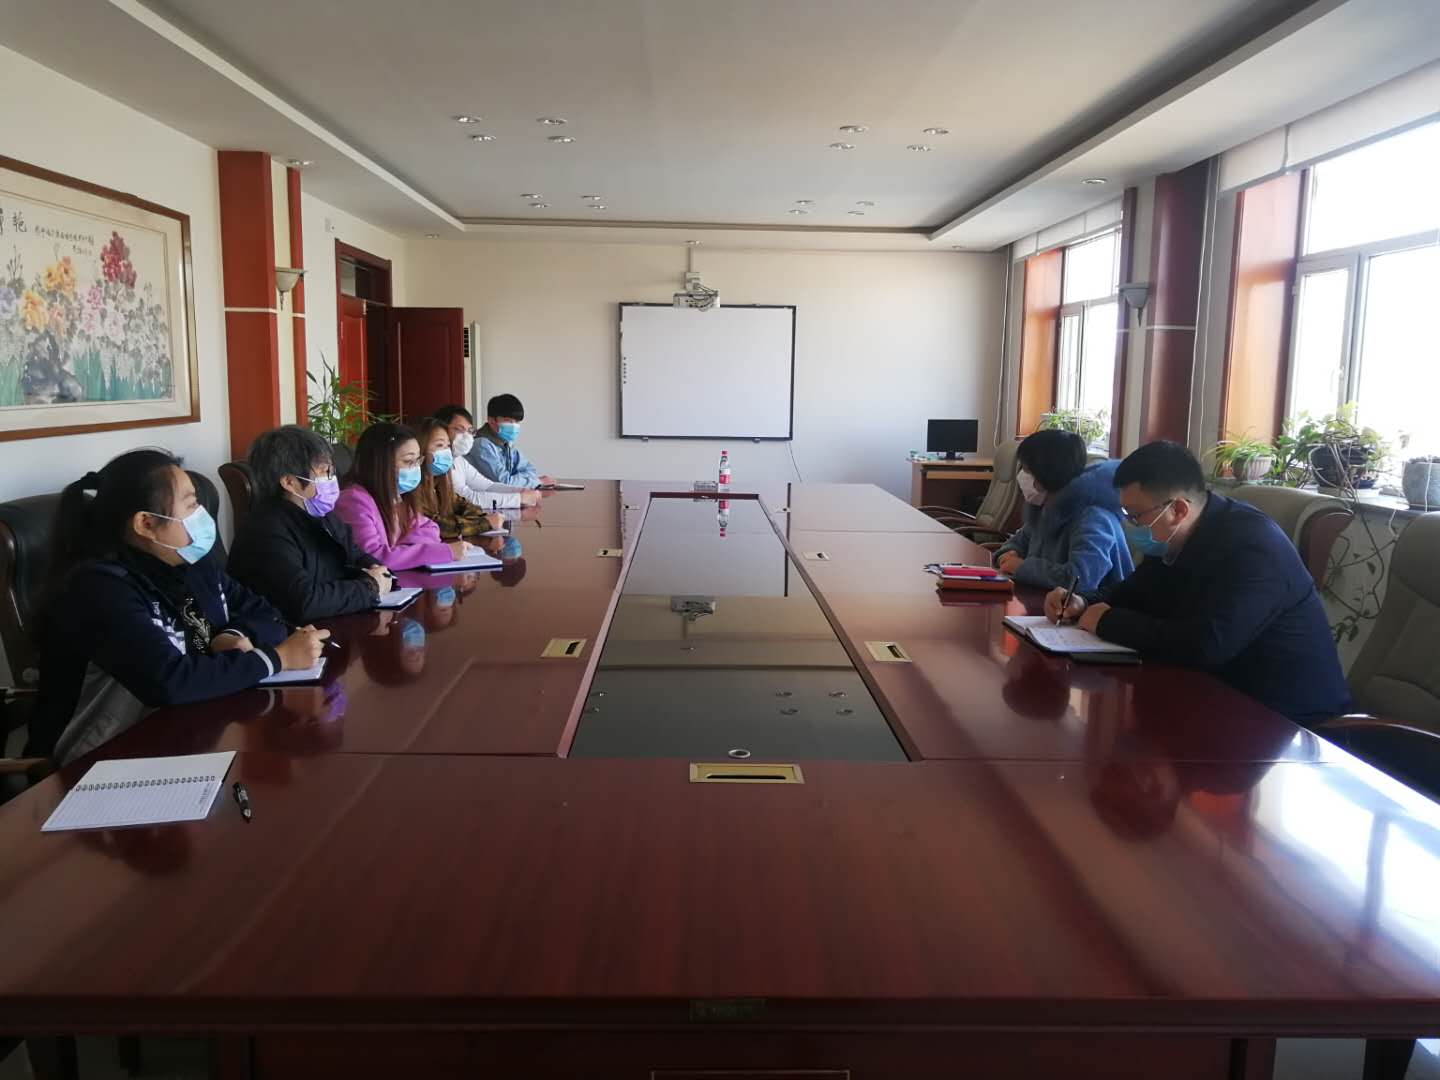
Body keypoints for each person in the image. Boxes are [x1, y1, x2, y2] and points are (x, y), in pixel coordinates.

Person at [31, 449, 327, 764]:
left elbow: (267, 615)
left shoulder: (191, 564)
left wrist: (232, 635)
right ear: (145, 523)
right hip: (99, 761)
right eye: (190, 505)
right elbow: (168, 681)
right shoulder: (99, 588)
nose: (202, 514)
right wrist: (277, 658)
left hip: (188, 733)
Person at [1044, 441, 1351, 726]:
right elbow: (1133, 593)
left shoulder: (1254, 548)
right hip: (1215, 700)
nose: (1130, 526)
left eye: (1136, 516)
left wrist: (1108, 621)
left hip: (1287, 723)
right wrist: (1081, 601)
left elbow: (1208, 645)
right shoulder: (1179, 536)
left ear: (1178, 509)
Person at [228, 425, 394, 622]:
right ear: (289, 482)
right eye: (324, 472)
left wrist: (378, 572)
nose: (332, 479)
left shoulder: (321, 514)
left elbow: (355, 555)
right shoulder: (265, 532)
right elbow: (305, 602)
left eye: (331, 471)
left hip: (331, 623)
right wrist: (369, 587)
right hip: (287, 633)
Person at [993, 430, 1133, 597]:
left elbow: (1080, 580)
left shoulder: (1094, 518)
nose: (1022, 477)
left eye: (1027, 470)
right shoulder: (1045, 507)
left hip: (1088, 609)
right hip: (1044, 602)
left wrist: (1021, 567)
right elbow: (1017, 542)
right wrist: (1007, 555)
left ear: (1046, 472)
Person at [334, 422, 465, 570]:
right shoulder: (353, 501)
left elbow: (430, 528)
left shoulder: (397, 495)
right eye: (409, 461)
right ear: (381, 463)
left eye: (418, 461)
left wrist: (401, 550)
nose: (416, 468)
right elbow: (373, 559)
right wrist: (442, 552)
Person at [412, 417, 506, 541]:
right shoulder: (412, 488)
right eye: (439, 445)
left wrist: (483, 518)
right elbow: (438, 527)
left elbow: (465, 506)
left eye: (448, 446)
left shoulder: (437, 483)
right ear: (419, 449)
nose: (446, 452)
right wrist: (485, 523)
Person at [433, 404, 540, 510]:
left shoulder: (458, 460)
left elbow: (487, 486)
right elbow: (467, 497)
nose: (466, 436)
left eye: (469, 431)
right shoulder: (439, 463)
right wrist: (518, 499)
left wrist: (520, 491)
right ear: (441, 430)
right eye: (459, 430)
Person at [468, 393, 553, 489]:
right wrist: (537, 481)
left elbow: (530, 470)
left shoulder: (506, 443)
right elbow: (504, 483)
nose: (514, 425)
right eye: (508, 420)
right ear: (491, 421)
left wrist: (520, 479)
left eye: (517, 422)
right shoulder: (481, 445)